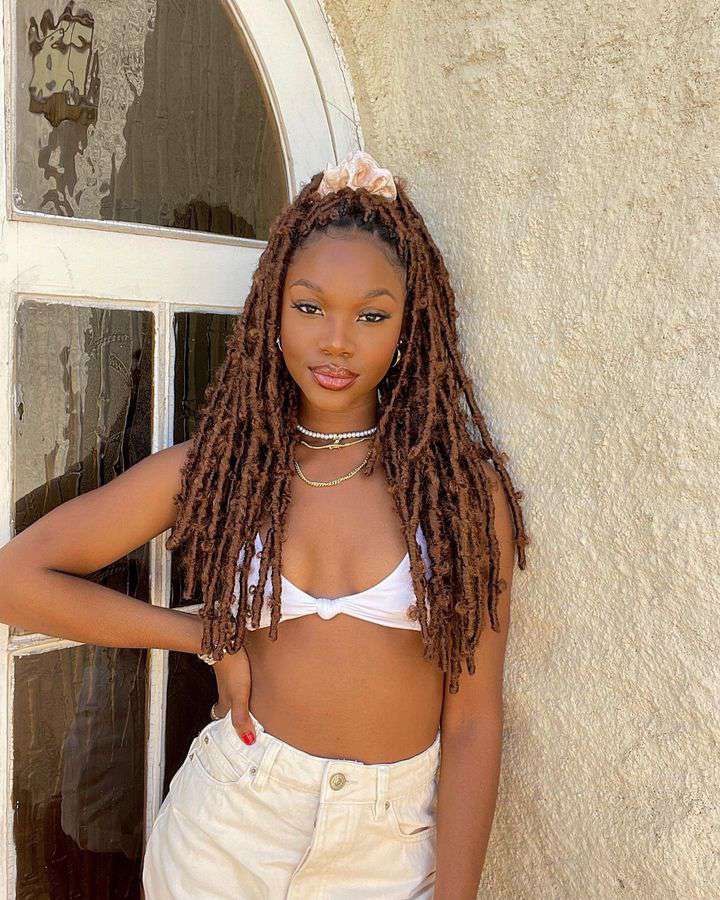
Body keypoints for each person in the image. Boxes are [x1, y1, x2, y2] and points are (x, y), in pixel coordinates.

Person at [0, 149, 530, 899]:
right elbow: (14, 582)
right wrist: (200, 635)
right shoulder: (218, 471)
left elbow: (474, 718)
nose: (337, 340)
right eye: (310, 307)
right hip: (231, 830)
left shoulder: (460, 495)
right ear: (271, 314)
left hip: (388, 851)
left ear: (410, 327)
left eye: (372, 315)